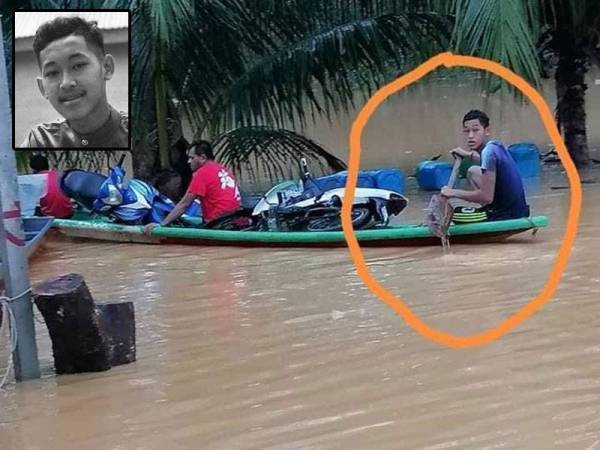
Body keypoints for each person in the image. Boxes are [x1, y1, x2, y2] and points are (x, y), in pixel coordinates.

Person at [19, 16, 128, 148]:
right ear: (42, 88)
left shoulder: (141, 133)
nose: (66, 83)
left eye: (78, 66)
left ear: (107, 67)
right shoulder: (40, 142)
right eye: (52, 73)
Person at [441, 109, 530, 222]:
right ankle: (488, 211)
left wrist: (453, 192)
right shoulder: (494, 146)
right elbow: (489, 164)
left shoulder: (488, 152)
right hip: (519, 210)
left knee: (454, 214)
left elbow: (486, 197)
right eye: (467, 131)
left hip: (506, 214)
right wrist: (468, 155)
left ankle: (490, 215)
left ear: (487, 131)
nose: (470, 136)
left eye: (475, 130)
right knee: (473, 171)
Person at [143, 140, 241, 233]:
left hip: (219, 223)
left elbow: (184, 204)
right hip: (234, 218)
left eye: (192, 158)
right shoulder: (222, 169)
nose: (188, 162)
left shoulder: (202, 173)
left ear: (202, 158)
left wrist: (162, 225)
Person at [29, 154, 73, 218]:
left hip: (49, 215)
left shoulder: (35, 178)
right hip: (68, 214)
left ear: (33, 169)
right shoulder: (59, 174)